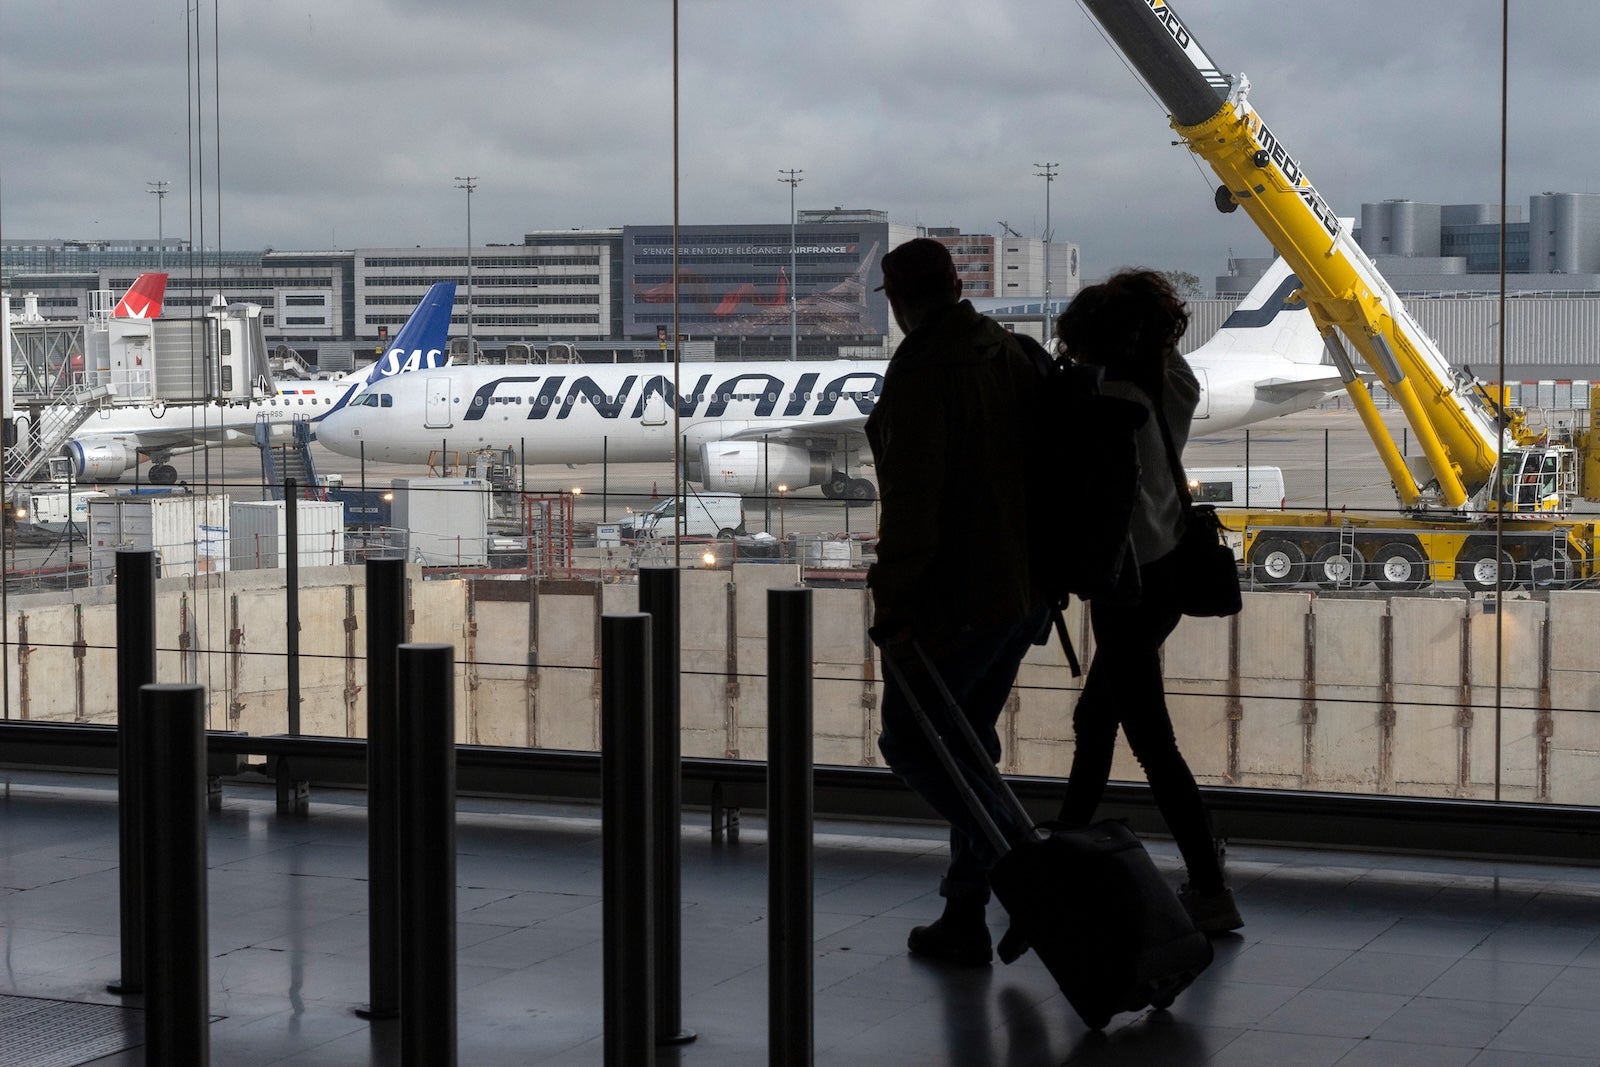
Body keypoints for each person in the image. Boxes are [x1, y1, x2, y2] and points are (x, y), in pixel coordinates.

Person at [866, 237, 1050, 966]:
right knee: (969, 743)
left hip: (958, 599)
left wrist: (894, 602)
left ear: (895, 298)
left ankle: (1027, 871)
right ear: (956, 283)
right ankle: (965, 910)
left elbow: (913, 504)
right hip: (1025, 591)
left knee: (910, 743)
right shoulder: (1013, 353)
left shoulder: (924, 372)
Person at [1053, 269, 1243, 933]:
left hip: (1127, 584)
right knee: (1098, 719)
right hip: (1167, 575)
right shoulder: (1177, 383)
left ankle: (1210, 889)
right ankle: (1066, 855)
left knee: (1147, 742)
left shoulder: (1109, 401)